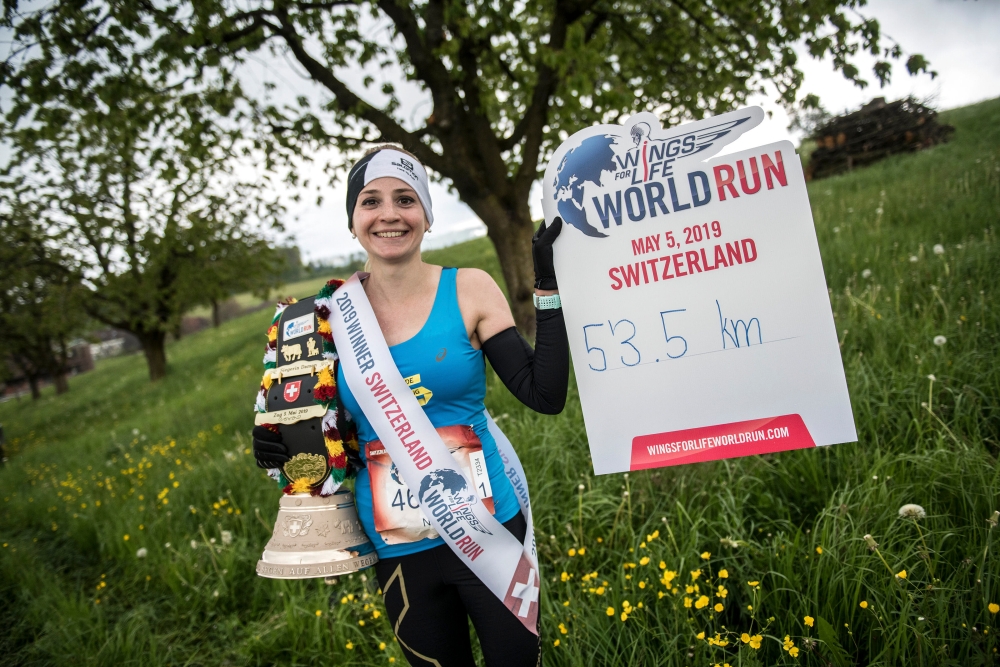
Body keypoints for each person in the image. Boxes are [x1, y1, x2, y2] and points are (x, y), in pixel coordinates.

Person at [252, 145, 569, 666]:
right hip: (398, 549)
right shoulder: (323, 319)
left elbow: (545, 395)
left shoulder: (469, 288)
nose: (389, 214)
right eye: (371, 202)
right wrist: (277, 447)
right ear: (353, 221)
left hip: (489, 528)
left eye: (405, 199)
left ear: (426, 213)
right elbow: (316, 438)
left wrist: (547, 287)